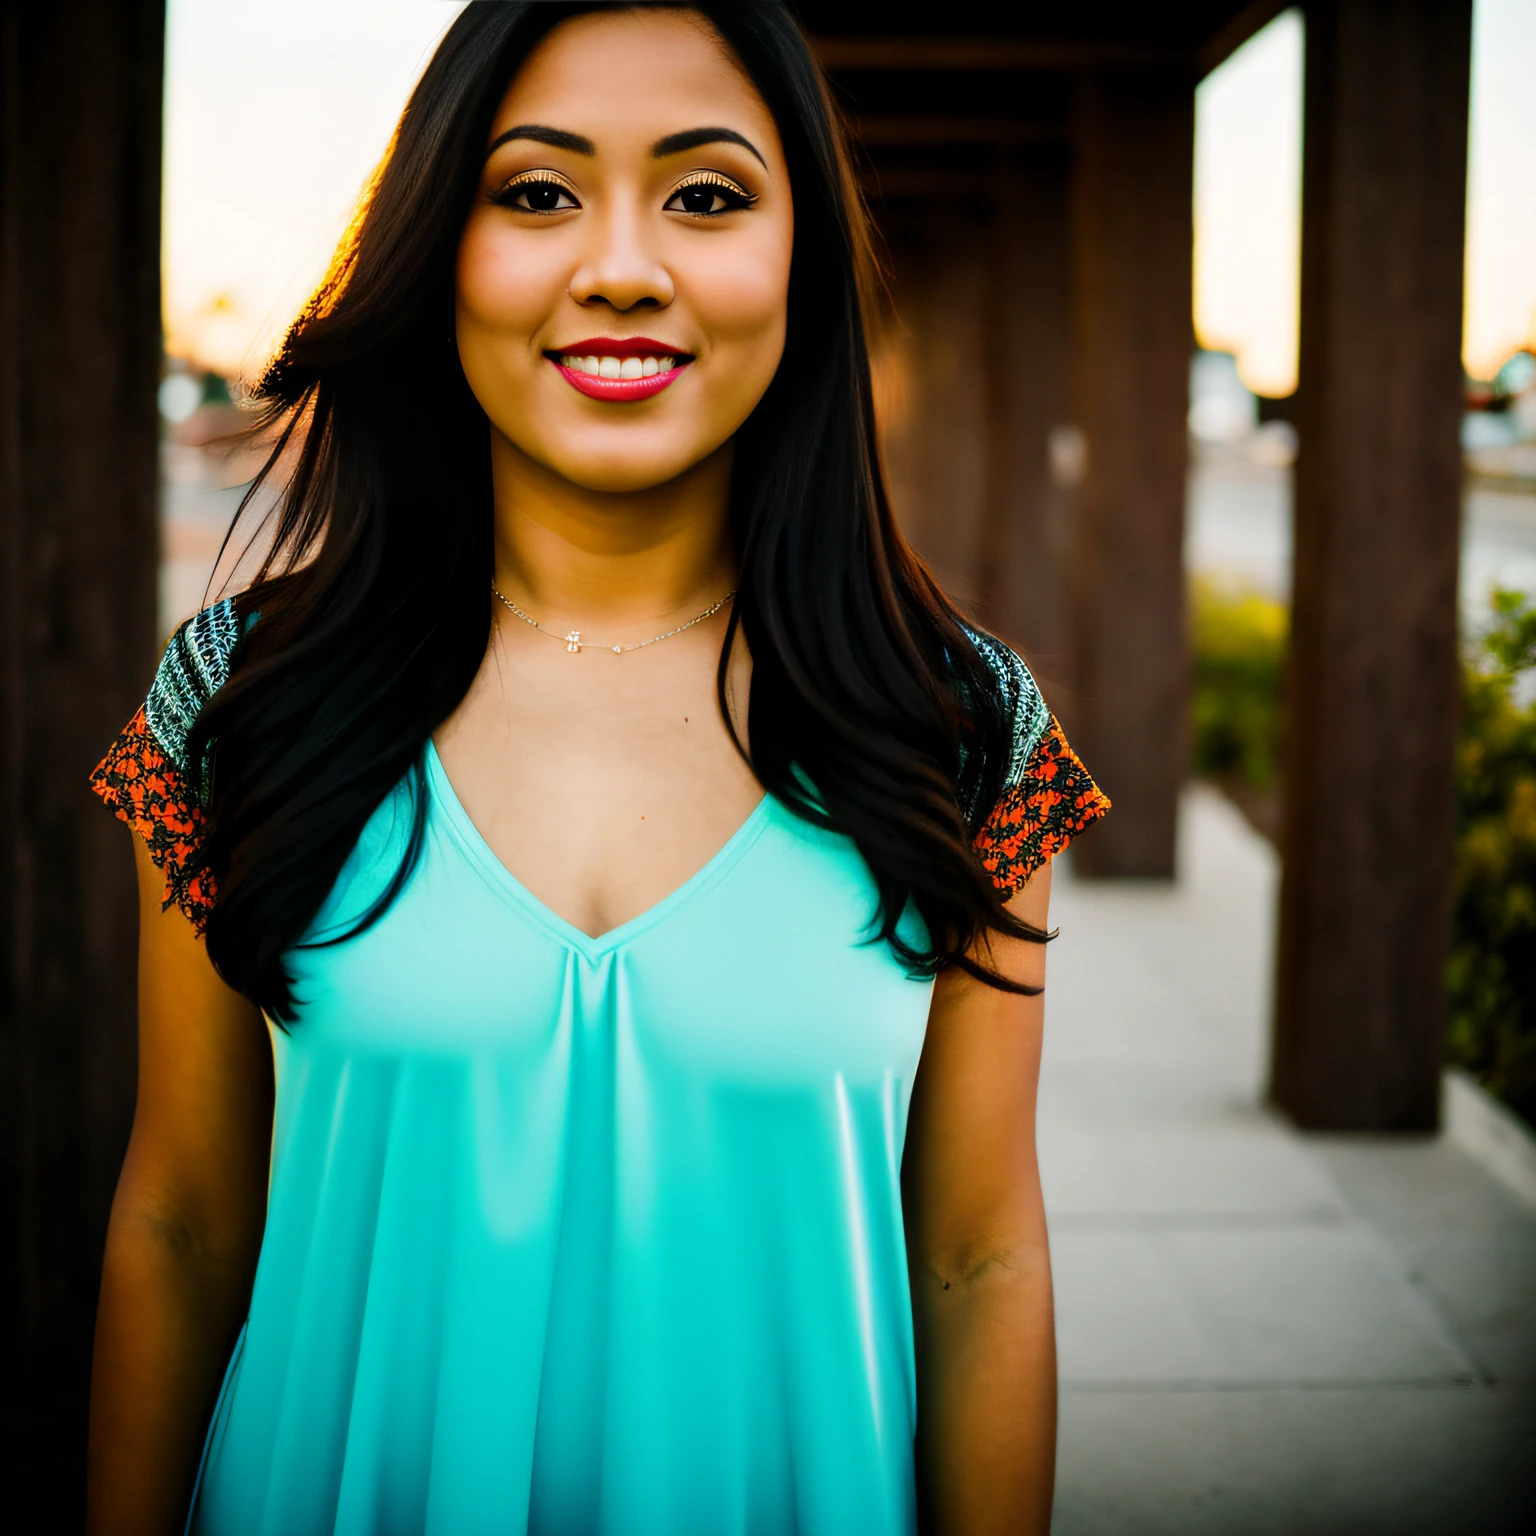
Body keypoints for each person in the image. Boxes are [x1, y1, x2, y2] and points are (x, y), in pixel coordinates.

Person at [86, 4, 1108, 1532]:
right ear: (443, 251)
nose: (623, 264)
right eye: (538, 192)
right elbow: (177, 1221)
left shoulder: (961, 730)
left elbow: (978, 1258)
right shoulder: (236, 703)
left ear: (802, 264)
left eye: (705, 196)